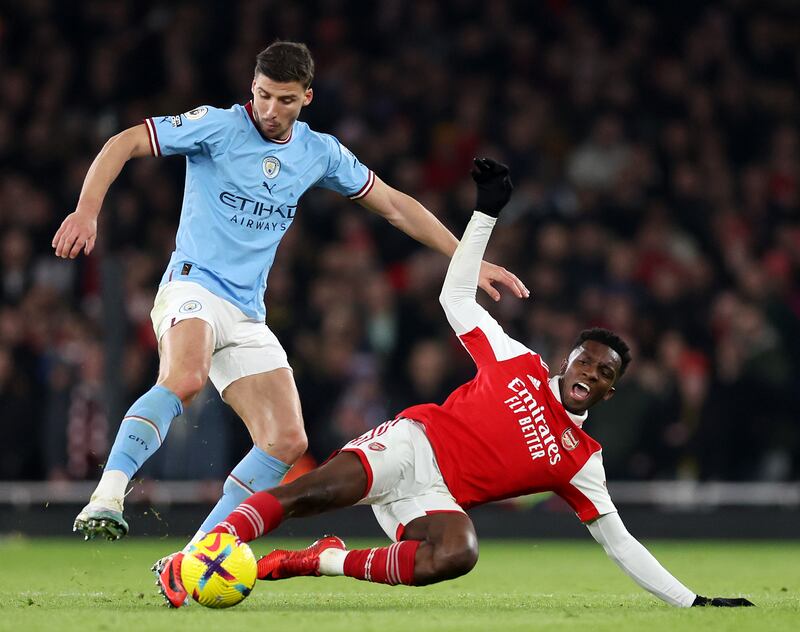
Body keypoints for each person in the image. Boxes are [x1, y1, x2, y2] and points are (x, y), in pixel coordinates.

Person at [156, 158, 754, 609]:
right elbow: (455, 296)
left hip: (433, 500)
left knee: (458, 553)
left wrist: (693, 602)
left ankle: (313, 562)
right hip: (410, 444)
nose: (589, 374)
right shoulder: (517, 361)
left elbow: (621, 544)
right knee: (307, 495)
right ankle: (195, 559)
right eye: (584, 361)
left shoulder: (582, 464)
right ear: (566, 362)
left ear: (607, 392)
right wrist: (485, 212)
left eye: (603, 374)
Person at [52, 42, 528, 544]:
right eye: (262, 96)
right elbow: (125, 141)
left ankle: (194, 556)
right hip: (192, 285)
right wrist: (87, 210)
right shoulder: (217, 126)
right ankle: (107, 494)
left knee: (285, 440)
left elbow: (393, 205)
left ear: (307, 98)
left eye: (284, 100)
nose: (269, 111)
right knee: (186, 378)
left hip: (247, 313)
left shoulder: (318, 152)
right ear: (250, 90)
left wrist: (466, 260)